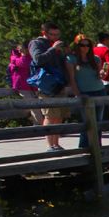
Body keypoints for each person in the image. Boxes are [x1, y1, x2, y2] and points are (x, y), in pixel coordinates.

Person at [28, 22, 75, 151]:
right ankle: (50, 145)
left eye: (57, 34)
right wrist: (53, 49)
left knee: (59, 115)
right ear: (44, 33)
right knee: (50, 115)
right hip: (46, 85)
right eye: (52, 34)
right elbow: (38, 59)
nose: (55, 37)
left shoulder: (54, 45)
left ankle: (56, 143)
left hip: (59, 84)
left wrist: (64, 53)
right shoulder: (36, 43)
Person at [66, 33, 107, 150]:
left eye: (88, 45)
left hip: (99, 90)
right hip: (84, 93)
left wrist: (102, 74)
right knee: (86, 123)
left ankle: (97, 148)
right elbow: (72, 79)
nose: (85, 48)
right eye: (82, 45)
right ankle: (84, 148)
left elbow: (100, 76)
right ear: (77, 46)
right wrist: (77, 94)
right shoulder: (71, 59)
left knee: (98, 122)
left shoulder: (95, 59)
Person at [6, 43, 44, 124]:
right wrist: (17, 58)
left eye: (22, 48)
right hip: (22, 86)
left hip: (33, 86)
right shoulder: (20, 58)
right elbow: (23, 63)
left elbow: (26, 63)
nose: (20, 50)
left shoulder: (26, 57)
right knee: (33, 106)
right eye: (19, 48)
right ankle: (41, 127)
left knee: (36, 106)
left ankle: (37, 123)